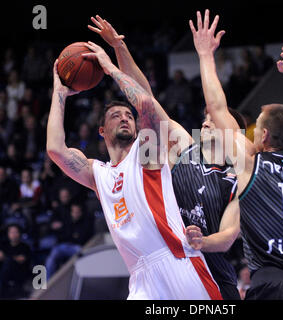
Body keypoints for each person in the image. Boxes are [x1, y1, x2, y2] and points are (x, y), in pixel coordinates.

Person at [46, 17, 221, 299]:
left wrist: (111, 63)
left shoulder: (147, 149)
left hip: (178, 261)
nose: (126, 118)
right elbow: (55, 149)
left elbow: (146, 103)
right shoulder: (97, 173)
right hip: (140, 278)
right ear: (102, 130)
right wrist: (59, 93)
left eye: (129, 116)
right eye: (117, 116)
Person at [89, 14, 244, 300]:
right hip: (172, 267)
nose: (207, 123)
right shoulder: (184, 147)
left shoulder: (240, 174)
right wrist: (119, 48)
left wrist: (203, 241)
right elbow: (145, 96)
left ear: (232, 132)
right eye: (205, 119)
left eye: (214, 120)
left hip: (214, 274)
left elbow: (229, 237)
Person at [196, 9, 283, 299]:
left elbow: (217, 107)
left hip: (274, 282)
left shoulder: (250, 162)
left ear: (264, 136)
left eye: (255, 128)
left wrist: (206, 55)